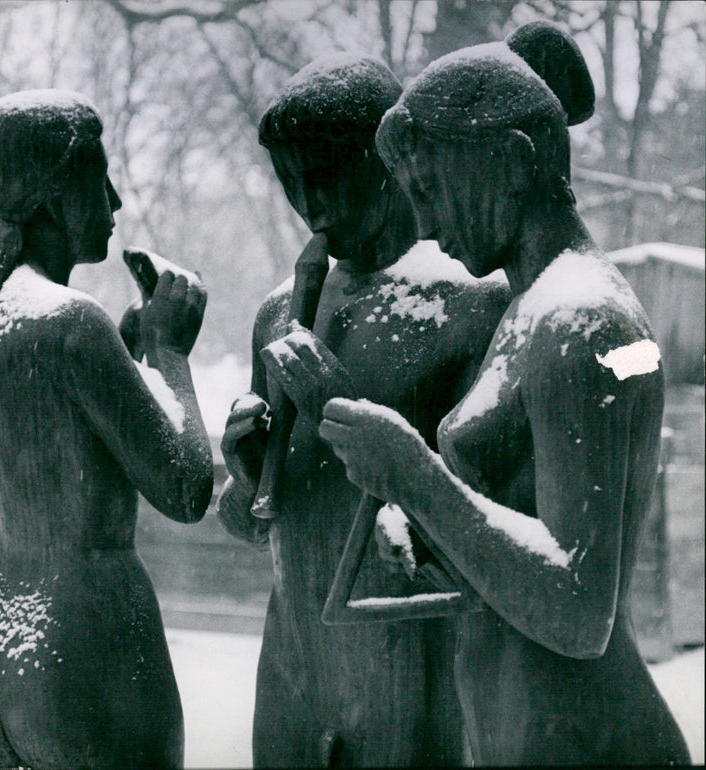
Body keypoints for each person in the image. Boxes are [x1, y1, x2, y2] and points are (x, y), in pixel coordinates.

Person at [318, 22, 692, 766]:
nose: (423, 223)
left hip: (584, 735)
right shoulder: (531, 307)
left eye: (432, 189)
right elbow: (509, 519)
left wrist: (416, 476)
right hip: (523, 729)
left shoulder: (583, 321)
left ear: (512, 163)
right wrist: (419, 531)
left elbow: (581, 609)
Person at [216, 54, 511, 767]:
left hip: (413, 664)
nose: (312, 207)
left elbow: (484, 527)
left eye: (328, 176)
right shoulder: (280, 312)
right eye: (293, 185)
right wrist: (249, 477)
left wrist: (341, 407)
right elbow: (256, 523)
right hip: (293, 661)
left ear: (386, 156)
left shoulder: (468, 306)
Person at [0, 90, 213, 769]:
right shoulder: (70, 322)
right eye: (101, 180)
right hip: (84, 652)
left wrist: (125, 354)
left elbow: (52, 439)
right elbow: (184, 489)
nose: (116, 202)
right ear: (56, 198)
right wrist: (171, 352)